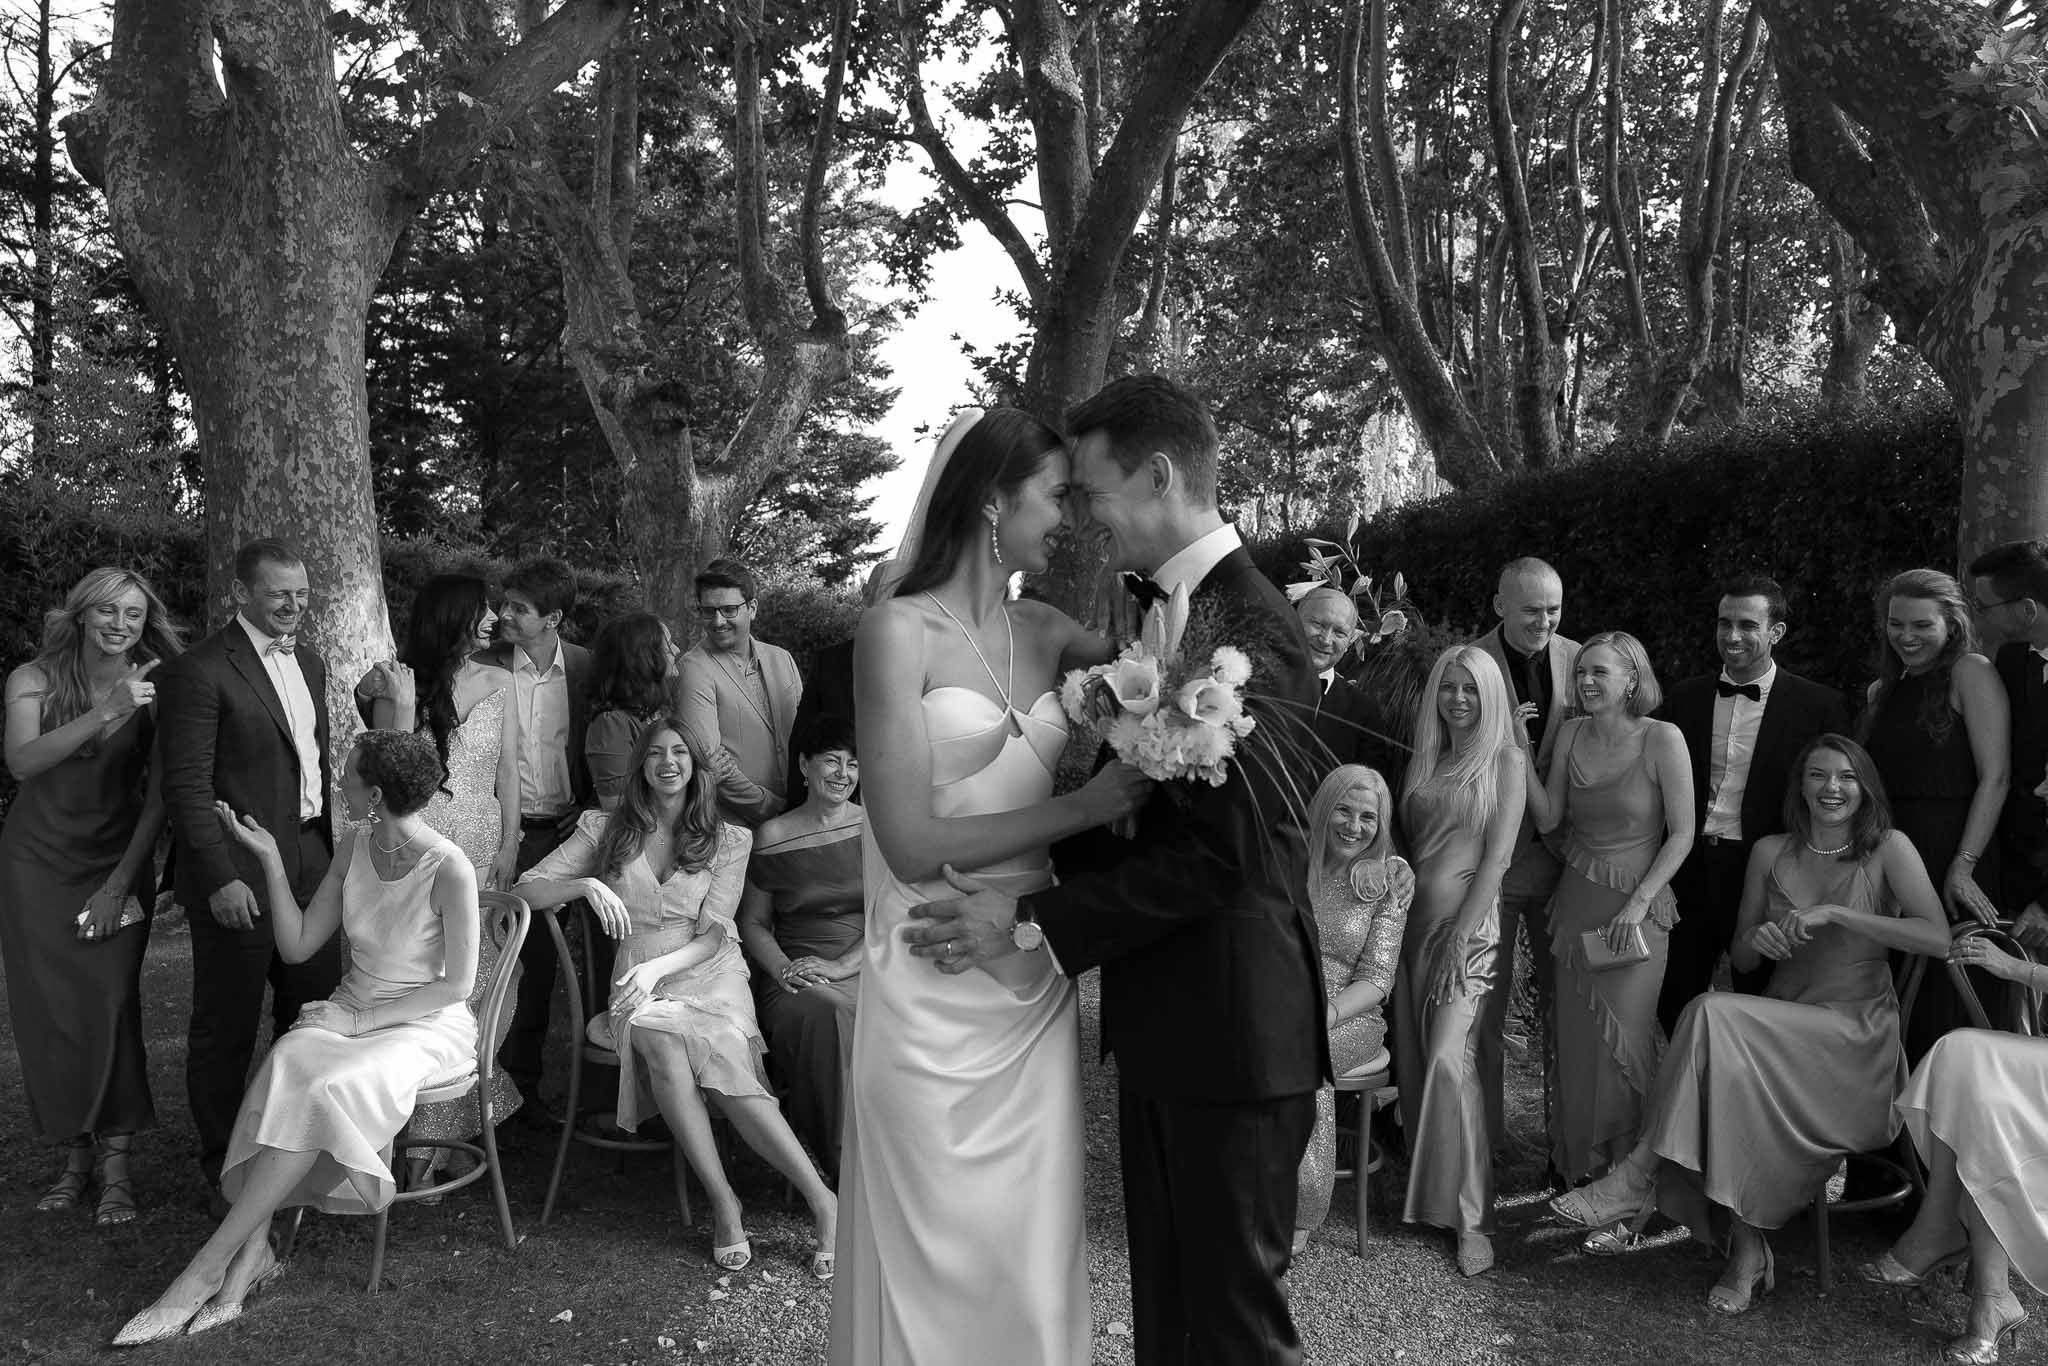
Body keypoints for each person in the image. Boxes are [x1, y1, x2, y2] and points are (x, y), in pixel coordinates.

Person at [900, 377, 1329, 1366]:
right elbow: (1132, 814)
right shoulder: (1158, 618)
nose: (1084, 519)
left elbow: (1221, 857)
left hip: (1234, 1030)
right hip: (1167, 1024)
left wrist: (1030, 915)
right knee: (1168, 1323)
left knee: (1234, 1333)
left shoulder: (1253, 633)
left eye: (1092, 493)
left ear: (1162, 474)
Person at [824, 404, 1148, 1365]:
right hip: (927, 976)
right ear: (992, 500)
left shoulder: (1049, 630)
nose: (1068, 519)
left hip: (1025, 973)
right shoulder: (896, 632)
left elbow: (1168, 671)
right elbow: (913, 839)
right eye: (1053, 497)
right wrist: (1090, 806)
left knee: (1027, 1245)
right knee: (932, 1246)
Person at [1550, 736, 1948, 1311]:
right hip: (1776, 1027)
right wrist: (1759, 940)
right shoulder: (1769, 850)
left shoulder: (1889, 848)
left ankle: (1638, 1176)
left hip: (1854, 1039)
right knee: (1721, 1042)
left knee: (1709, 1012)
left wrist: (1839, 913)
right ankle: (1745, 1248)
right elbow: (1740, 959)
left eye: (1846, 777)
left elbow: (1936, 936)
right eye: (1818, 775)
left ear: (1866, 789)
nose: (1832, 788)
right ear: (1800, 786)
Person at [112, 730, 480, 1345]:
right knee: (287, 1059)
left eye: (349, 777)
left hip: (422, 1025)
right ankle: (248, 1257)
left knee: (326, 1083)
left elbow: (457, 987)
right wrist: (272, 863)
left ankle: (205, 1270)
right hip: (353, 1007)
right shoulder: (357, 845)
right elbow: (298, 944)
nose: (339, 785)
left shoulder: (451, 867)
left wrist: (358, 1024)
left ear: (376, 793)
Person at [514, 717, 839, 1277]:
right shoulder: (604, 828)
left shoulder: (729, 838)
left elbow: (713, 934)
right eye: (657, 752)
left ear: (695, 765)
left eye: (681, 752)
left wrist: (657, 970)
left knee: (718, 1048)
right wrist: (585, 884)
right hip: (636, 976)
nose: (669, 762)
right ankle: (724, 1202)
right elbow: (527, 888)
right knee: (664, 1042)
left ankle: (821, 1200)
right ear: (641, 764)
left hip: (708, 972)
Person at [156, 539, 344, 1208]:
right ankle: (223, 1168)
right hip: (237, 871)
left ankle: (300, 1155)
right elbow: (184, 786)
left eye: (301, 593)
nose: (294, 606)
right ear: (241, 595)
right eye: (278, 594)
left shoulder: (314, 663)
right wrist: (218, 877)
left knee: (315, 1016)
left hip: (312, 864)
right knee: (226, 1027)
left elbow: (310, 767)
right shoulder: (199, 671)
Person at [0, 568, 181, 1227]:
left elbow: (160, 793)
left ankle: (117, 1171)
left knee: (109, 1004)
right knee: (52, 1013)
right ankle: (76, 1160)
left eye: (133, 614)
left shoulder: (157, 685)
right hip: (35, 862)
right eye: (107, 610)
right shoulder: (33, 678)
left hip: (114, 860)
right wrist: (105, 713)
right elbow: (22, 762)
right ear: (80, 614)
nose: (121, 624)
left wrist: (119, 882)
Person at [1520, 631, 1694, 1213]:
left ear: (1632, 680)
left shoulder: (1661, 738)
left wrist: (1642, 899)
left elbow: (1684, 832)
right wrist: (1516, 748)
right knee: (1576, 1039)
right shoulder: (1569, 734)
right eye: (1582, 673)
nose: (1587, 682)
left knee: (1627, 1043)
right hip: (1576, 907)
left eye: (1600, 673)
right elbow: (1549, 820)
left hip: (1635, 913)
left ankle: (1635, 1182)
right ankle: (1584, 1171)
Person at [1655, 574, 1851, 1032]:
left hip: (1769, 867)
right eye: (1725, 623)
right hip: (1691, 866)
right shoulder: (1684, 698)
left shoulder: (1820, 706)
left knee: (1762, 1005)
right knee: (1675, 1002)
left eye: (1747, 624)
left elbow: (1836, 793)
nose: (1733, 635)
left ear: (1775, 632)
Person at [1396, 644, 1526, 1276]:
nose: (1458, 699)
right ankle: (1431, 1200)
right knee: (1420, 1062)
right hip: (1410, 929)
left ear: (1491, 695)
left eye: (1471, 688)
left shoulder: (1505, 759)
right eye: (1448, 687)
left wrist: (1458, 937)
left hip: (1467, 932)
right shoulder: (1427, 759)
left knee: (1453, 1058)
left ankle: (1474, 1221)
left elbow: (1498, 860)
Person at [1859, 568, 2009, 1060]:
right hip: (1893, 859)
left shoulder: (1972, 671)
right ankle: (1895, 1129)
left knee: (1954, 997)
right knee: (1898, 997)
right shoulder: (1881, 693)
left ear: (1952, 623)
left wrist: (1963, 865)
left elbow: (1996, 777)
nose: (1907, 636)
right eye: (1896, 623)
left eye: (1922, 625)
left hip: (1956, 853)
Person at [1472, 557, 1578, 1157]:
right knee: (1484, 1002)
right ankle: (1482, 1143)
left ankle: (1567, 1144)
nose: (1546, 621)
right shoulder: (1469, 663)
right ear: (1499, 606)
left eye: (1554, 609)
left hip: (1566, 861)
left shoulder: (1581, 657)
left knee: (1566, 1010)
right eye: (1533, 609)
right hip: (1495, 855)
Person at [483, 556, 594, 1118]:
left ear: (553, 618)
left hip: (570, 834)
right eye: (504, 604)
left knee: (553, 964)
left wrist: (593, 808)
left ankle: (529, 1087)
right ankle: (491, 1086)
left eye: (519, 609)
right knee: (502, 960)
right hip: (506, 832)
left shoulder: (587, 668)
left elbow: (613, 742)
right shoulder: (484, 665)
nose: (505, 615)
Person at [737, 713, 864, 1183]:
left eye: (853, 765)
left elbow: (890, 917)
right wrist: (785, 969)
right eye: (831, 761)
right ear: (805, 766)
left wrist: (841, 965)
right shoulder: (772, 836)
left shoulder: (873, 830)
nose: (842, 775)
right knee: (830, 1013)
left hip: (865, 961)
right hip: (796, 974)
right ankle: (848, 1171)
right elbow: (753, 922)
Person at [1294, 765, 1411, 1252]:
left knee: (1302, 1054)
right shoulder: (1291, 862)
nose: (1354, 826)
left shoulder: (1386, 883)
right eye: (1343, 809)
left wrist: (1326, 1015)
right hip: (1284, 1000)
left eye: (1368, 817)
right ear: (1323, 808)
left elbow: (1378, 980)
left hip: (1352, 1014)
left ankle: (1299, 1208)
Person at [357, 574, 521, 889]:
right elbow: (389, 776)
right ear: (450, 615)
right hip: (416, 844)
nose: (493, 618)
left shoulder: (501, 681)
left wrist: (511, 842)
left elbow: (508, 769)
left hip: (484, 841)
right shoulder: (397, 684)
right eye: (481, 609)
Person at [679, 559, 802, 827]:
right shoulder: (694, 668)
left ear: (752, 608)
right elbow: (710, 764)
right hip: (733, 827)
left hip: (798, 819)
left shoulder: (782, 659)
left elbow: (806, 738)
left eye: (729, 609)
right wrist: (773, 807)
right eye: (708, 611)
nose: (718, 621)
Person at [1966, 540, 2048, 938]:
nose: (1976, 616)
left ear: (2026, 610)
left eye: (1983, 606)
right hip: (2010, 880)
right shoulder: (2013, 663)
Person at [583, 611, 681, 809]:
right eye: (668, 645)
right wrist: (701, 777)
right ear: (644, 657)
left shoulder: (662, 710)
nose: (677, 650)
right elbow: (616, 805)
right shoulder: (611, 725)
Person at [1298, 587, 1375, 768]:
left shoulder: (1364, 713)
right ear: (1294, 621)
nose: (1325, 639)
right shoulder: (1252, 679)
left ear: (1349, 642)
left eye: (1339, 632)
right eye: (1318, 624)